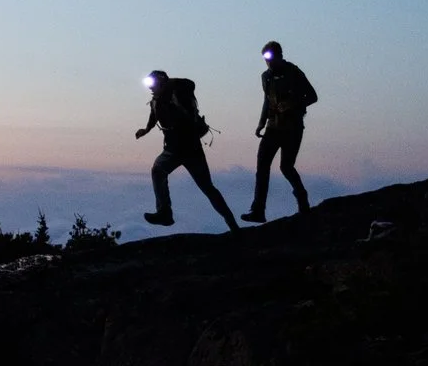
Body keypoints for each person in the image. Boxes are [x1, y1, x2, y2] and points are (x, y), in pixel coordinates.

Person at [136, 70, 240, 230]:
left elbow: (190, 85)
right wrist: (145, 130)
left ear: (161, 82)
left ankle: (231, 223)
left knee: (206, 187)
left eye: (153, 84)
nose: (150, 88)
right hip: (173, 148)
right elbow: (153, 117)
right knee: (158, 170)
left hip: (189, 147)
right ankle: (165, 213)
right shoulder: (156, 101)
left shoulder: (177, 93)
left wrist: (169, 84)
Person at [244, 41, 317, 221]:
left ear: (279, 56)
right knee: (262, 166)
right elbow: (267, 100)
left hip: (293, 127)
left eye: (270, 58)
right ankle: (258, 210)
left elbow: (312, 96)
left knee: (286, 166)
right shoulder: (266, 77)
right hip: (273, 127)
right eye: (265, 59)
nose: (267, 63)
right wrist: (261, 123)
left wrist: (292, 105)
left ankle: (302, 200)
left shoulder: (294, 72)